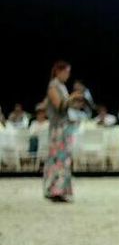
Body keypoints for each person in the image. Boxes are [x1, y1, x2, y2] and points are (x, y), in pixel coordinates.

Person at [43, 61, 76, 202]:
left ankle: (62, 190)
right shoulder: (53, 86)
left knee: (64, 160)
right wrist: (71, 98)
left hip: (64, 127)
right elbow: (59, 105)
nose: (68, 75)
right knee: (57, 159)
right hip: (57, 129)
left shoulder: (61, 86)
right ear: (58, 71)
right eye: (66, 72)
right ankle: (54, 190)